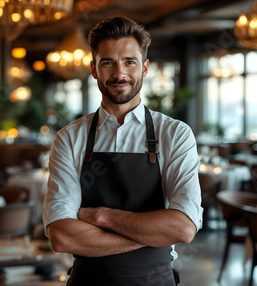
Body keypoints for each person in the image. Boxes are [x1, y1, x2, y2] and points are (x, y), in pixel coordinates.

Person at [43, 15, 202, 286]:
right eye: (108, 63)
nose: (119, 74)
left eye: (130, 62)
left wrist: (102, 217)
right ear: (94, 69)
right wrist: (151, 235)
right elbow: (62, 236)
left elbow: (183, 228)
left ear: (145, 68)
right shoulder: (69, 138)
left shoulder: (175, 135)